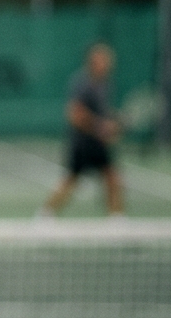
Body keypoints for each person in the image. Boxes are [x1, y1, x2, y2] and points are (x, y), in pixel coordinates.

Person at [40, 43, 124, 217]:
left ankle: (117, 220)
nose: (107, 63)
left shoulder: (106, 83)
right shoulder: (82, 83)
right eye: (102, 59)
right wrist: (100, 127)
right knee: (70, 180)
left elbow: (102, 113)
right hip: (82, 143)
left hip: (98, 143)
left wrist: (112, 124)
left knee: (112, 178)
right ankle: (45, 215)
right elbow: (74, 115)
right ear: (92, 61)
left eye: (107, 59)